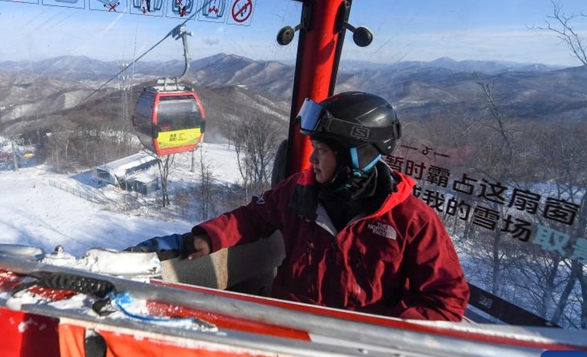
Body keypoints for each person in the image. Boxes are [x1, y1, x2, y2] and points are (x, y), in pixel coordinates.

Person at [132, 91, 469, 321]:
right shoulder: (300, 190)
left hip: (361, 346)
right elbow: (255, 216)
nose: (312, 158)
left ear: (356, 156)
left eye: (321, 150)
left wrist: (390, 333)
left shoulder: (411, 221)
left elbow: (447, 300)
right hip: (287, 323)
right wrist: (209, 236)